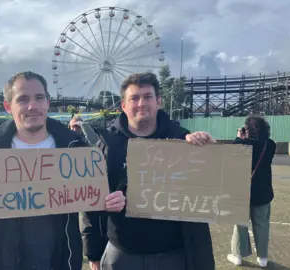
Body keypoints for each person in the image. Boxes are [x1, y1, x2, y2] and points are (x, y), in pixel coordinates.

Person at [0, 71, 125, 270]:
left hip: (59, 259)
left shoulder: (76, 149)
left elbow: (95, 202)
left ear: (47, 102)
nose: (33, 106)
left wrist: (114, 200)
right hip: (4, 260)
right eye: (23, 99)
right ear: (8, 106)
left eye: (39, 98)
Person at [82, 72, 216, 270]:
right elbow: (90, 201)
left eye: (147, 97)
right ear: (123, 105)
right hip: (123, 253)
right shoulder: (106, 144)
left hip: (173, 254)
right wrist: (93, 250)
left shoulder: (182, 139)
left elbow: (211, 185)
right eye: (134, 98)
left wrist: (211, 152)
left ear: (159, 101)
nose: (141, 103)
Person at [227, 116, 276, 268]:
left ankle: (237, 255)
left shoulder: (243, 144)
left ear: (248, 130)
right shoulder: (270, 145)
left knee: (240, 223)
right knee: (262, 224)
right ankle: (262, 258)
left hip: (243, 191)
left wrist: (238, 137)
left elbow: (234, 152)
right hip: (263, 192)